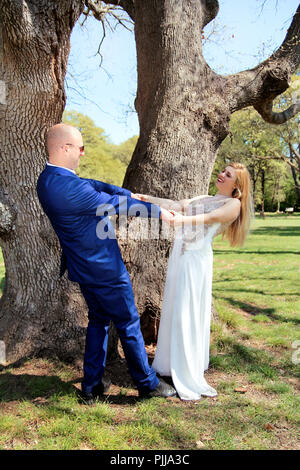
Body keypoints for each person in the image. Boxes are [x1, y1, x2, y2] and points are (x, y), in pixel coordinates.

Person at [36, 123, 176, 404]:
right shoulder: (69, 189)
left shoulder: (50, 179)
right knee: (128, 322)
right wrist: (159, 212)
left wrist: (126, 192)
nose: (83, 153)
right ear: (65, 148)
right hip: (104, 269)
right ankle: (147, 383)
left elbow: (95, 186)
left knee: (99, 321)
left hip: (83, 268)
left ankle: (92, 385)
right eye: (80, 147)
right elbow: (111, 205)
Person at [133, 163, 253, 400]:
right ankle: (168, 364)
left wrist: (179, 222)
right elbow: (177, 205)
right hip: (179, 257)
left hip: (195, 260)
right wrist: (147, 198)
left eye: (228, 175)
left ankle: (187, 369)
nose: (222, 174)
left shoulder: (233, 205)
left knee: (187, 312)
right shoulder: (204, 197)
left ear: (237, 186)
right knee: (174, 310)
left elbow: (209, 218)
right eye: (223, 171)